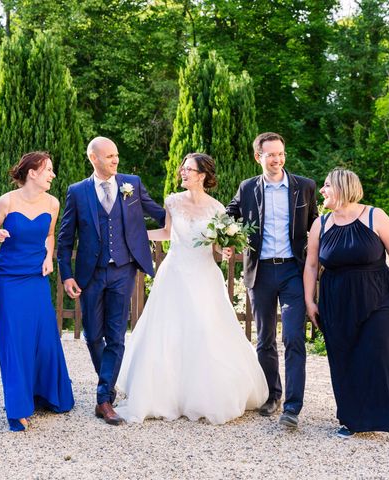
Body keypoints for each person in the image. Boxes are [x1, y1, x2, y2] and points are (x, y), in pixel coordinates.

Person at [115, 153, 269, 424]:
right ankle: (164, 395)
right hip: (175, 272)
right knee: (167, 331)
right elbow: (166, 233)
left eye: (189, 170)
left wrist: (226, 247)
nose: (183, 173)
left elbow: (219, 247)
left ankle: (204, 395)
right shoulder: (172, 201)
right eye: (183, 169)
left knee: (205, 329)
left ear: (202, 175)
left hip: (203, 274)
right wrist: (134, 236)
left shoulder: (218, 208)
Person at [57, 136, 165, 425]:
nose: (115, 160)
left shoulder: (132, 183)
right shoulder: (77, 192)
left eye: (117, 155)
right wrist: (66, 274)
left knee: (116, 335)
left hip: (123, 270)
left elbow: (159, 213)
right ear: (93, 158)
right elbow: (65, 238)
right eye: (109, 157)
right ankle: (107, 384)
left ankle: (103, 398)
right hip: (90, 273)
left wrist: (193, 212)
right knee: (93, 335)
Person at [304, 168, 389, 438]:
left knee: (378, 356)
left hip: (378, 298)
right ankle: (350, 420)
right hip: (336, 302)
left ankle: (376, 417)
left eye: (327, 186)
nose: (322, 191)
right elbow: (312, 265)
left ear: (342, 188)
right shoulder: (322, 224)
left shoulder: (375, 216)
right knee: (344, 358)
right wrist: (309, 301)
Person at [226, 132, 318, 429]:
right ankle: (272, 395)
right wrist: (225, 235)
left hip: (294, 271)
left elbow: (316, 224)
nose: (277, 159)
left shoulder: (304, 187)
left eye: (280, 153)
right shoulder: (248, 187)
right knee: (264, 339)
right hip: (261, 272)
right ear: (259, 157)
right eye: (270, 155)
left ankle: (292, 406)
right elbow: (229, 214)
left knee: (293, 337)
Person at [0, 151, 74, 432]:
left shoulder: (52, 203)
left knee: (44, 338)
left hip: (37, 279)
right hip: (9, 280)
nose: (52, 174)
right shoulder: (6, 201)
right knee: (16, 341)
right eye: (48, 170)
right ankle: (18, 407)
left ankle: (45, 395)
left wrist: (48, 257)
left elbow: (50, 234)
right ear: (32, 173)